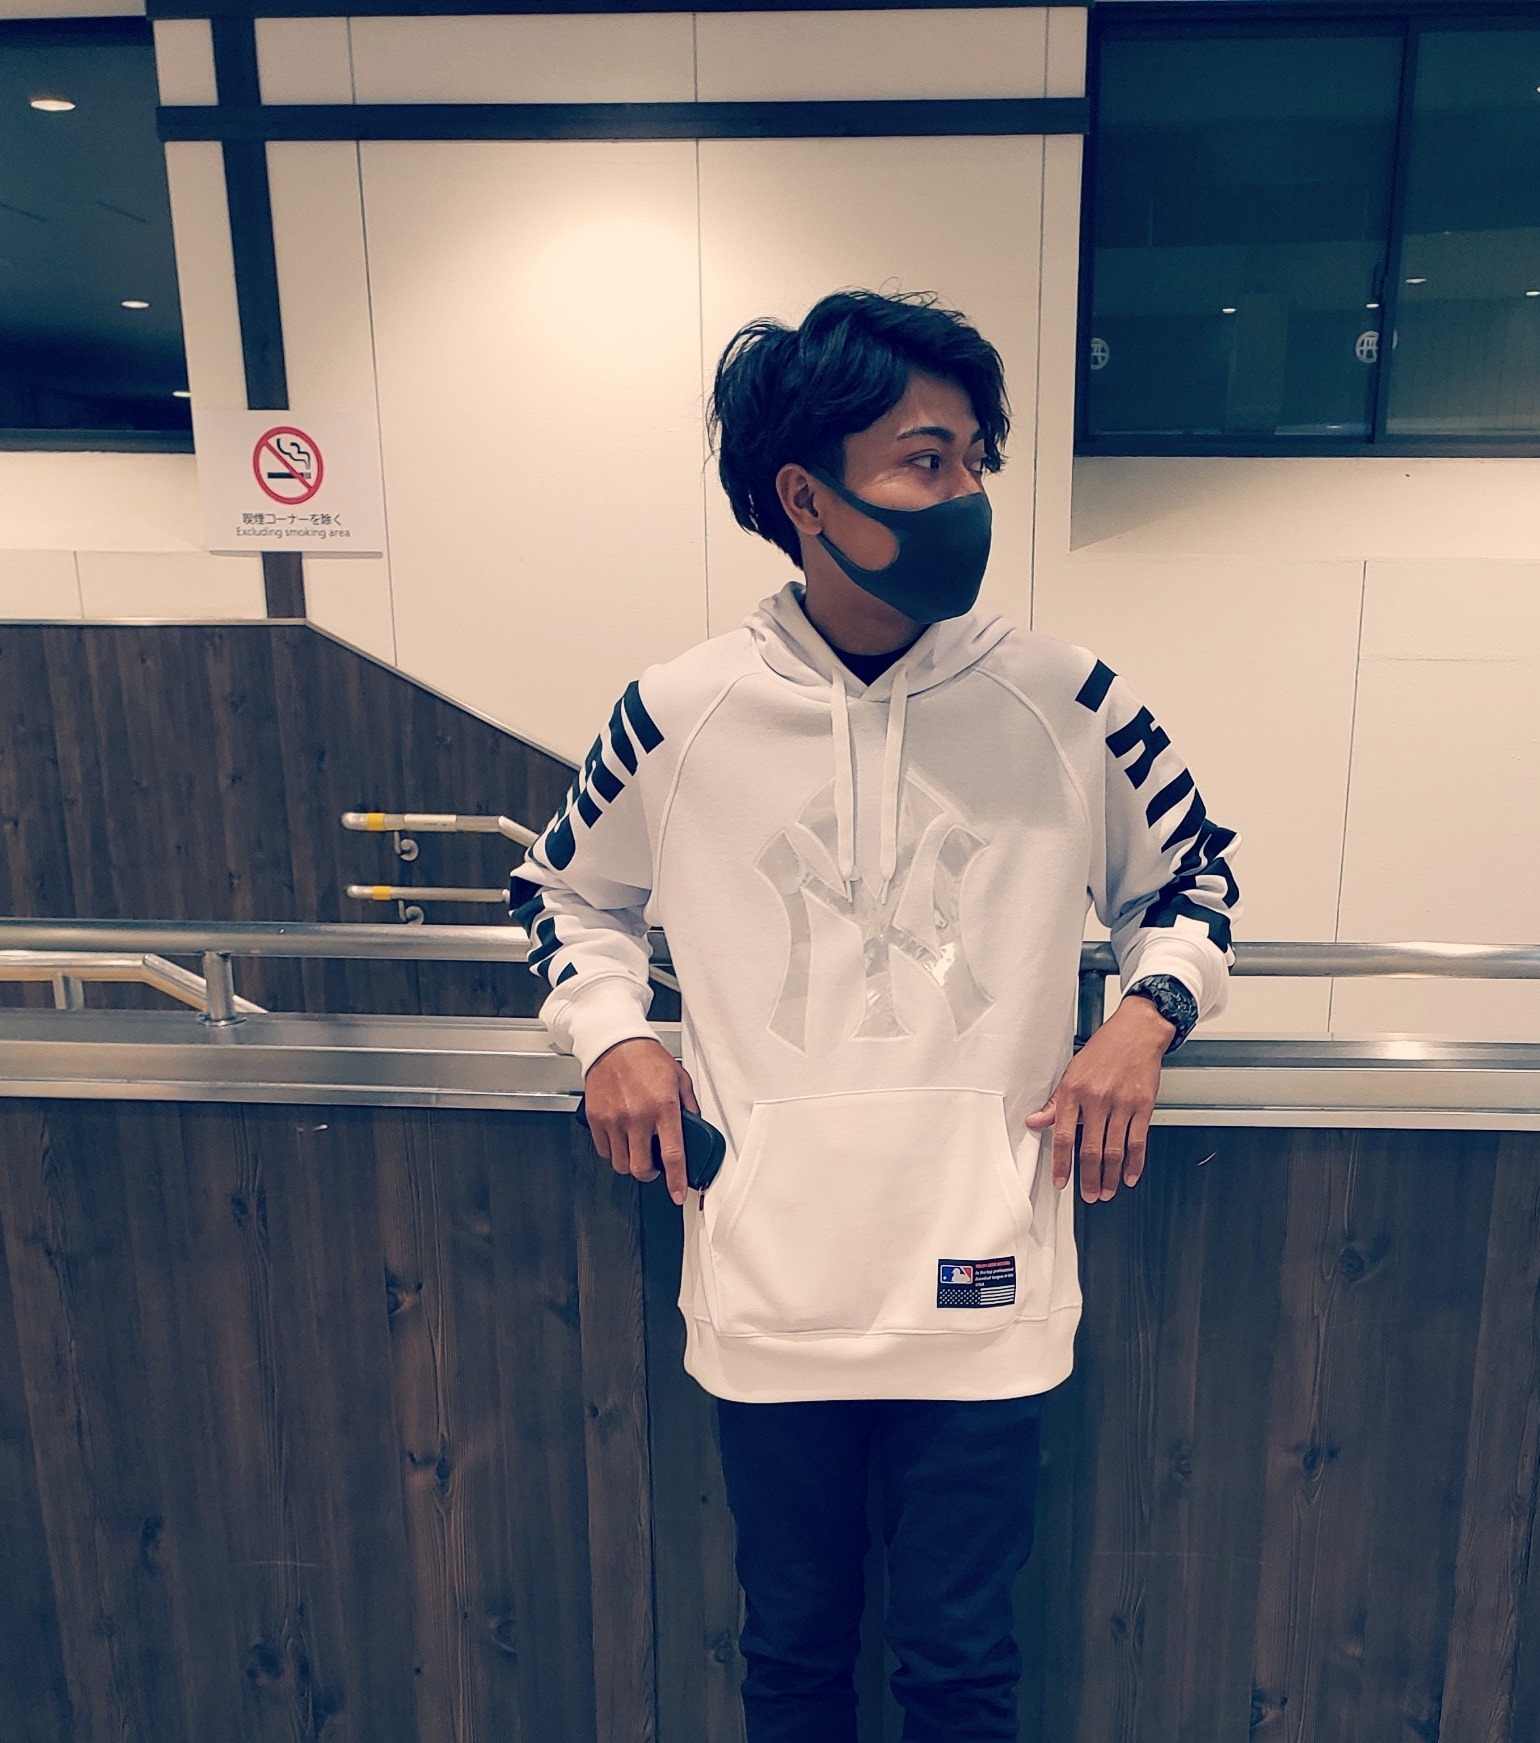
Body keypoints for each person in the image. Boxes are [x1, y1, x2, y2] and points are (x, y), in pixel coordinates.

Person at [508, 289, 1240, 1743]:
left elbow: (1193, 881)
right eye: (924, 459)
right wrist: (612, 1033)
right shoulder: (680, 711)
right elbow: (563, 894)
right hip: (769, 1285)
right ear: (805, 496)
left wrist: (1145, 1015)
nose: (965, 494)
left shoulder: (1068, 701)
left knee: (960, 1666)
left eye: (975, 459)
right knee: (790, 1658)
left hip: (985, 1278)